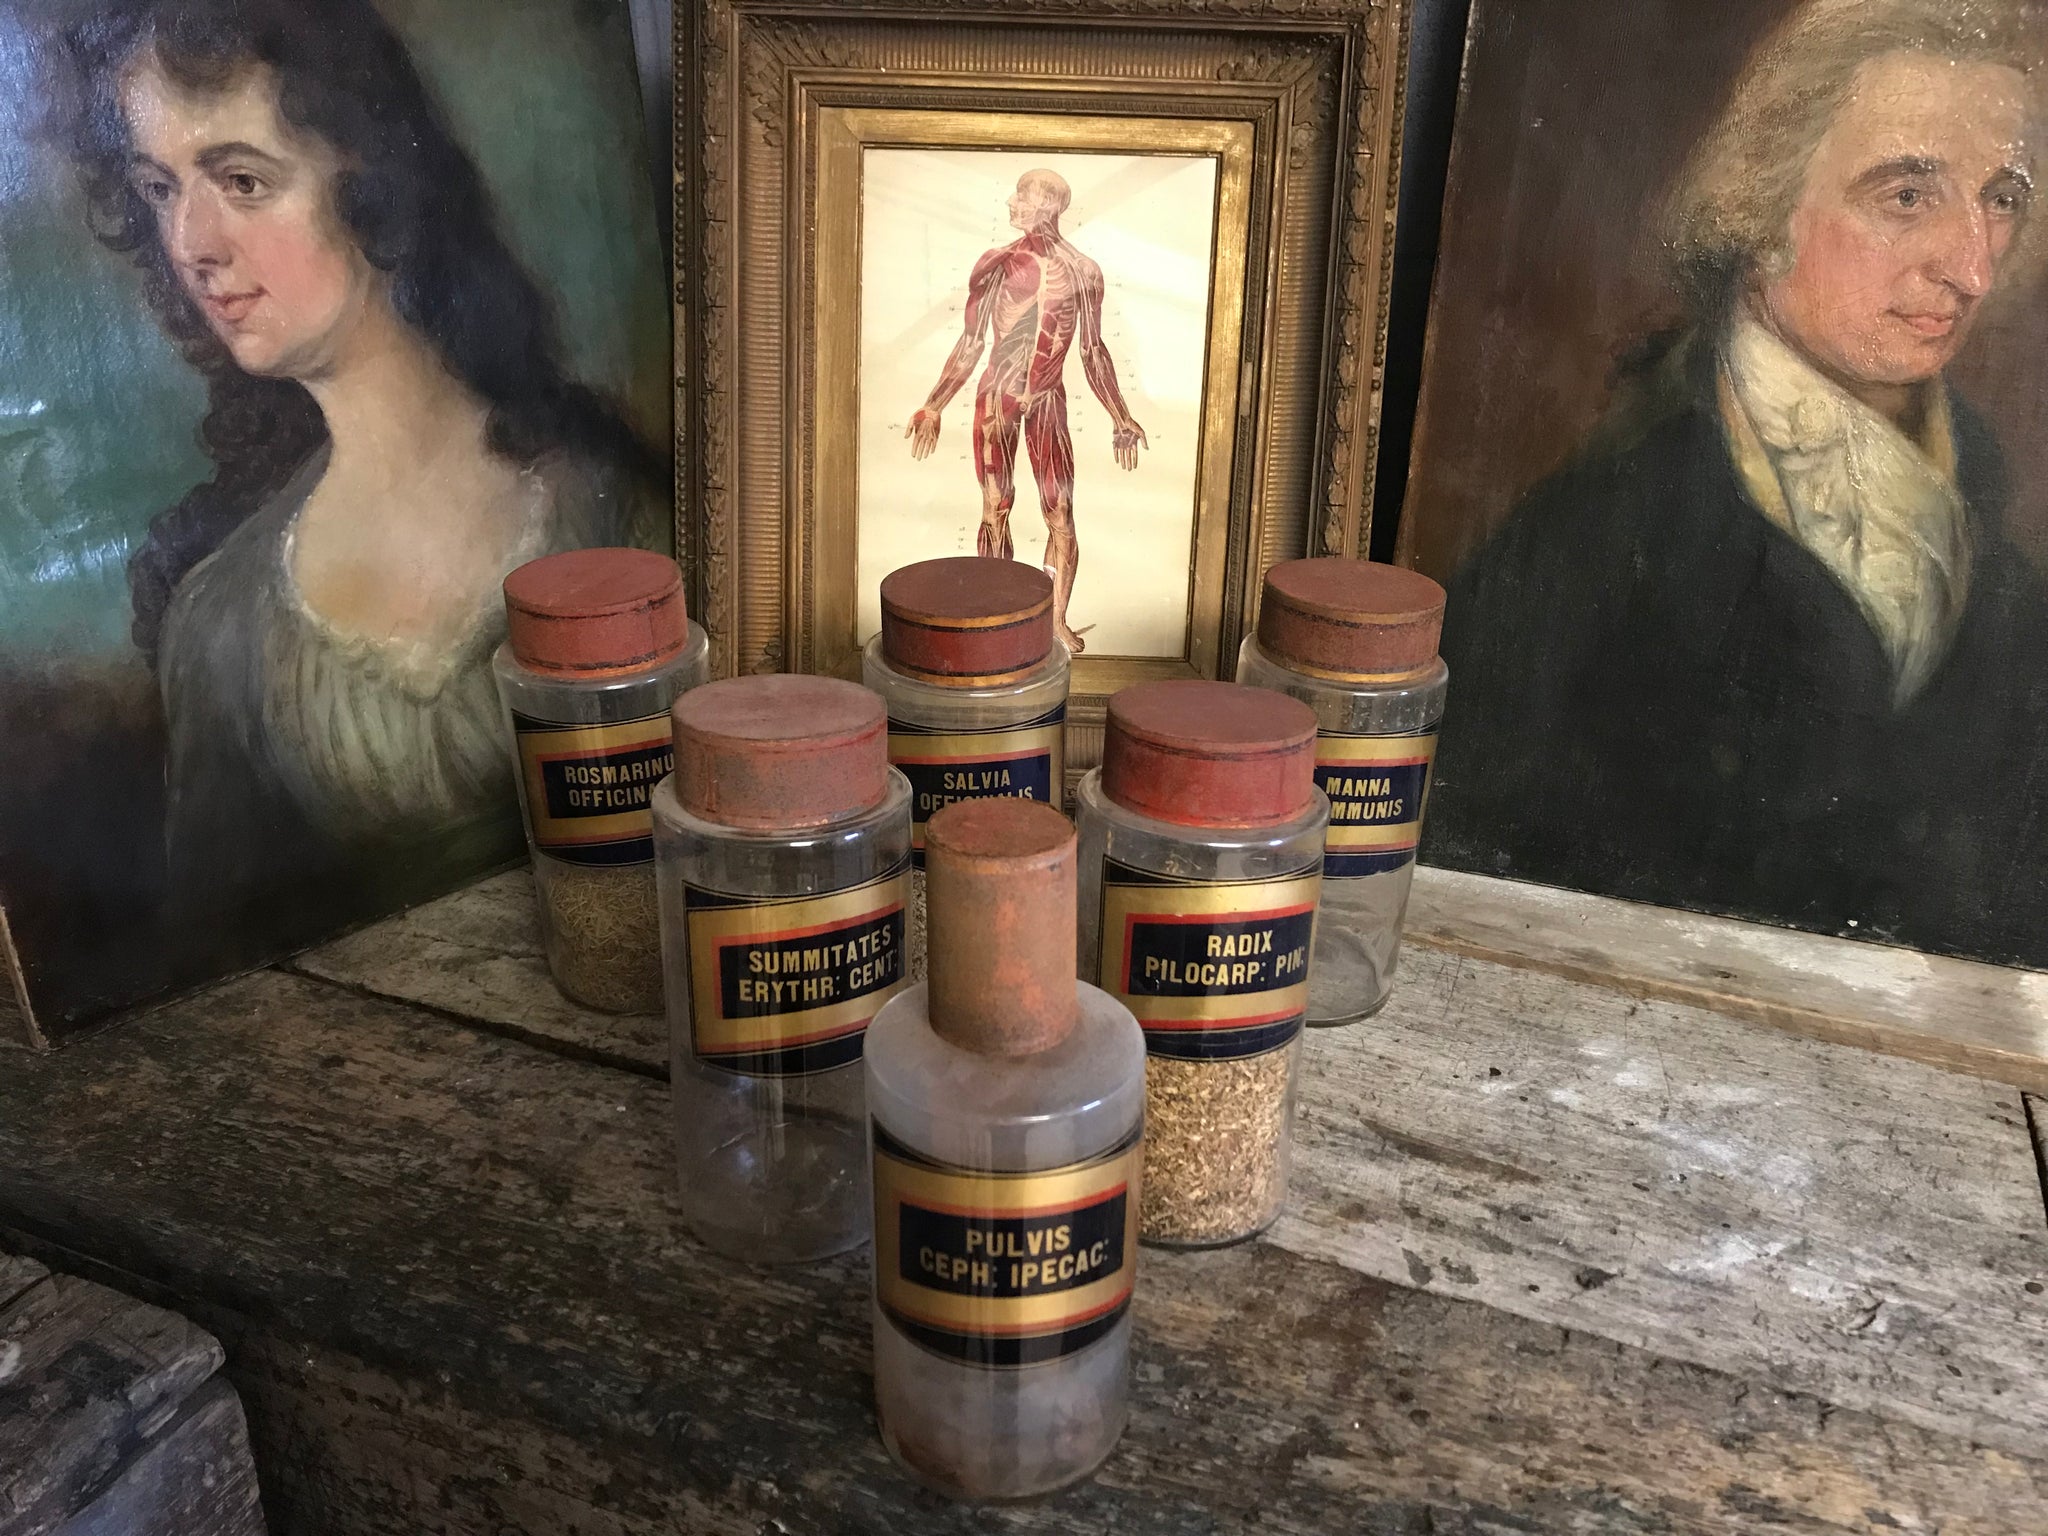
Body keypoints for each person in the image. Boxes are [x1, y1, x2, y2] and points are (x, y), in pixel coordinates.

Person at [1432, 0, 2048, 962]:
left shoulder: (2007, 575)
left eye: (2001, 199)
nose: (1971, 267)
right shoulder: (1590, 539)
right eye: (1906, 197)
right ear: (1761, 212)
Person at [57, 0, 662, 947]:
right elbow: (224, 960)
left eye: (243, 181)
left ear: (376, 183)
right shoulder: (221, 625)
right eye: (161, 191)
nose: (192, 243)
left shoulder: (608, 498)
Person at [905, 169, 1145, 654]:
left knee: (1060, 512)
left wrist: (1120, 416)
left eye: (1022, 195)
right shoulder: (997, 264)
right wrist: (934, 404)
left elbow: (1092, 350)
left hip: (1048, 401)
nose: (1011, 202)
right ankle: (998, 616)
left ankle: (1054, 621)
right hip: (998, 398)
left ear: (1048, 205)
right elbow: (971, 342)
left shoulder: (1083, 271)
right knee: (996, 506)